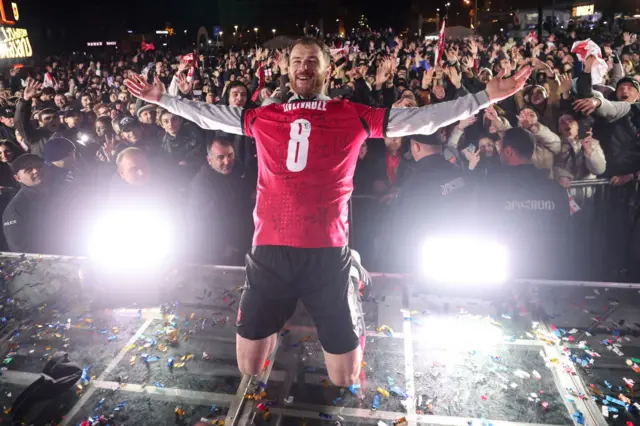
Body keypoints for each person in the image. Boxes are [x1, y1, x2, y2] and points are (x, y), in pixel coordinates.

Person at [125, 36, 530, 387]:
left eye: (312, 61)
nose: (303, 67)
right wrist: (163, 99)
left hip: (326, 252)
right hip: (269, 253)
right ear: (286, 68)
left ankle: (350, 272)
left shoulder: (350, 113)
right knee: (249, 368)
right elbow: (209, 114)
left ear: (326, 69)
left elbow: (418, 119)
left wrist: (485, 97)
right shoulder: (264, 115)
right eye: (297, 61)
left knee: (343, 377)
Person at [479, 127, 570, 278]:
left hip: (504, 273)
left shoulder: (491, 189)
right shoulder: (555, 190)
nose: (497, 149)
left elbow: (482, 227)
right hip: (549, 272)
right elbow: (564, 232)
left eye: (499, 146)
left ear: (508, 151)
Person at [388, 132, 468, 272]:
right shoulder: (458, 171)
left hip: (427, 258)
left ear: (416, 147)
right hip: (464, 250)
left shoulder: (415, 181)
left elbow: (402, 225)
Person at [186, 137, 254, 265]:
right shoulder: (201, 186)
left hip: (245, 239)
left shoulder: (237, 169)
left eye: (230, 155)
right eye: (220, 157)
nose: (227, 161)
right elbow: (202, 224)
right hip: (225, 250)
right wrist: (222, 247)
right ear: (209, 160)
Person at [15, 80, 61, 158]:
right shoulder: (34, 137)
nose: (52, 120)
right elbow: (20, 122)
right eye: (47, 118)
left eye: (55, 117)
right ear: (40, 122)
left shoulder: (67, 131)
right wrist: (25, 100)